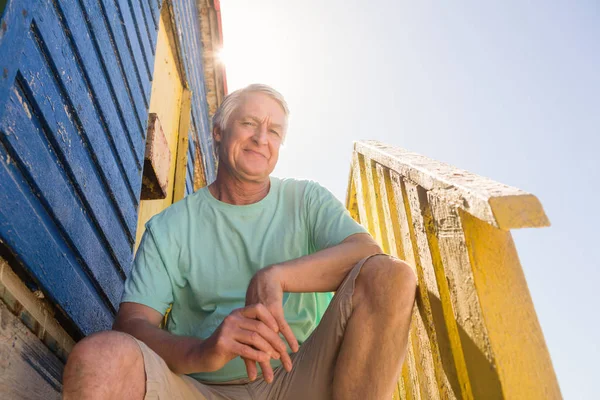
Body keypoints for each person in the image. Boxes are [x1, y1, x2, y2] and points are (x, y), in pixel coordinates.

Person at [62, 84, 417, 400]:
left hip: (297, 379)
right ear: (218, 131)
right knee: (99, 359)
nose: (262, 138)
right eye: (249, 123)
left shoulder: (306, 199)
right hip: (201, 386)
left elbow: (367, 253)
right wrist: (204, 351)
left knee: (392, 276)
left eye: (274, 131)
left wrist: (276, 276)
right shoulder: (170, 227)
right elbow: (132, 324)